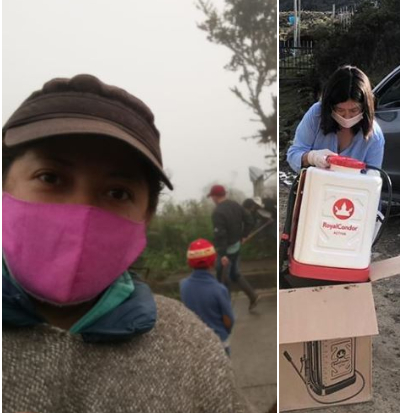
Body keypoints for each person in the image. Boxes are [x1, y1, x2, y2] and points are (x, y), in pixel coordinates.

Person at [2, 74, 245, 412]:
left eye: (117, 193)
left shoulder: (192, 349)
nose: (81, 213)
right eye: (50, 178)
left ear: (146, 215)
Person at [286, 65, 385, 172]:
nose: (347, 117)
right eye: (340, 110)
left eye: (354, 110)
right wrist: (311, 157)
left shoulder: (374, 135)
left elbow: (373, 177)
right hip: (314, 185)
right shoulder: (316, 115)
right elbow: (293, 155)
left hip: (351, 188)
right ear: (330, 106)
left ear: (365, 107)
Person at [208, 184, 259, 310]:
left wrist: (223, 254)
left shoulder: (218, 212)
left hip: (226, 250)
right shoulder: (235, 205)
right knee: (234, 273)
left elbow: (220, 235)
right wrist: (244, 235)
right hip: (236, 246)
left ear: (215, 196)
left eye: (212, 197)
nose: (212, 199)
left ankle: (224, 307)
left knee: (222, 276)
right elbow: (249, 220)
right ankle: (253, 296)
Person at [180, 238, 235, 355]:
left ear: (189, 262)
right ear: (213, 261)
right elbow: (228, 320)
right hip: (219, 342)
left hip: (195, 341)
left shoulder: (183, 285)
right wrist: (226, 331)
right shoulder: (219, 290)